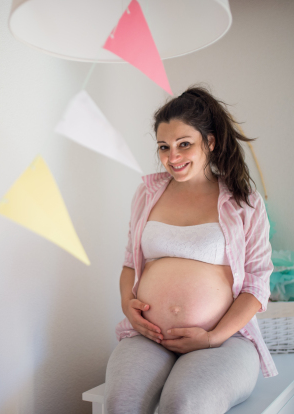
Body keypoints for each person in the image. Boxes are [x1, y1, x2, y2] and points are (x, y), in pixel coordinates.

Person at [103, 85, 278, 414]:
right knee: (119, 402)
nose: (173, 157)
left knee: (183, 404)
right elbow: (130, 264)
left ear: (209, 142)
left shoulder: (243, 202)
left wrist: (211, 338)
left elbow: (257, 284)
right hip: (150, 338)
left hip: (224, 341)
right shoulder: (147, 194)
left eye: (185, 144)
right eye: (164, 147)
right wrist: (129, 306)